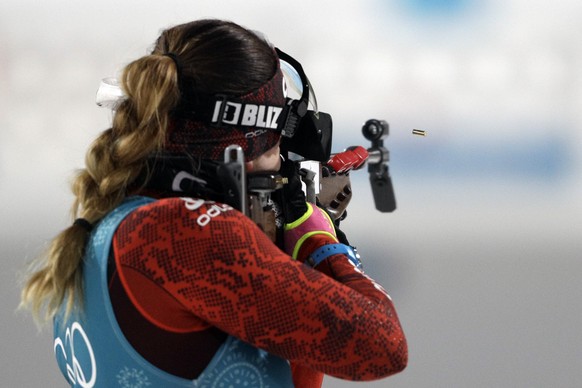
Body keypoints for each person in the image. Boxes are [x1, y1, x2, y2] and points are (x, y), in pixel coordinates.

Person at [20, 19, 407, 387]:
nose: (282, 166)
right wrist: (321, 246)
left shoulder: (113, 220)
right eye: (275, 149)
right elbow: (383, 346)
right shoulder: (177, 233)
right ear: (243, 156)